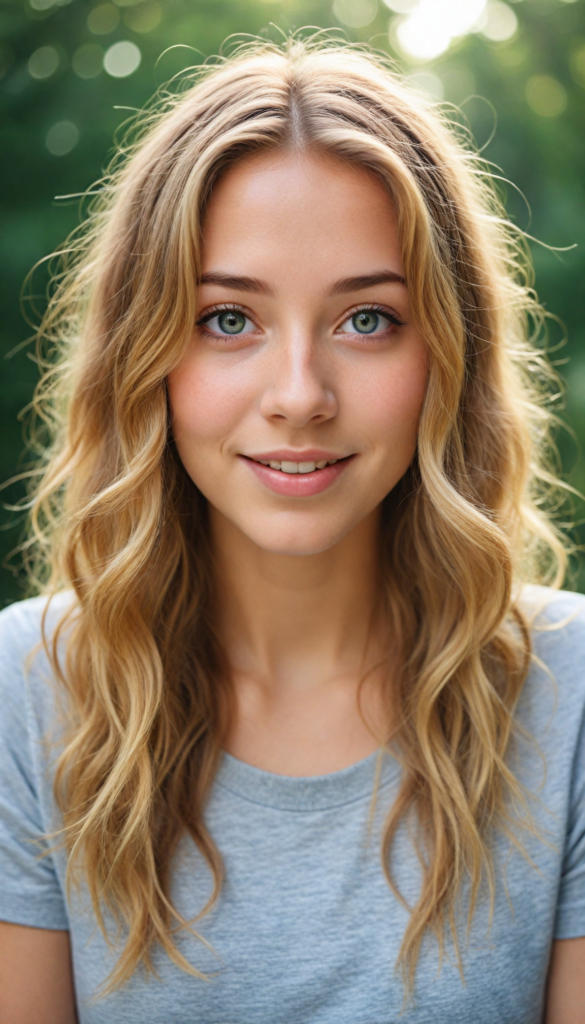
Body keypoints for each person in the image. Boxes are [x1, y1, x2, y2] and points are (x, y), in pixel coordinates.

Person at [0, 37, 583, 1024]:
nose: (300, 396)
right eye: (229, 318)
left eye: (367, 320)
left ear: (448, 350)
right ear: (144, 352)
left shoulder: (570, 695)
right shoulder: (28, 691)